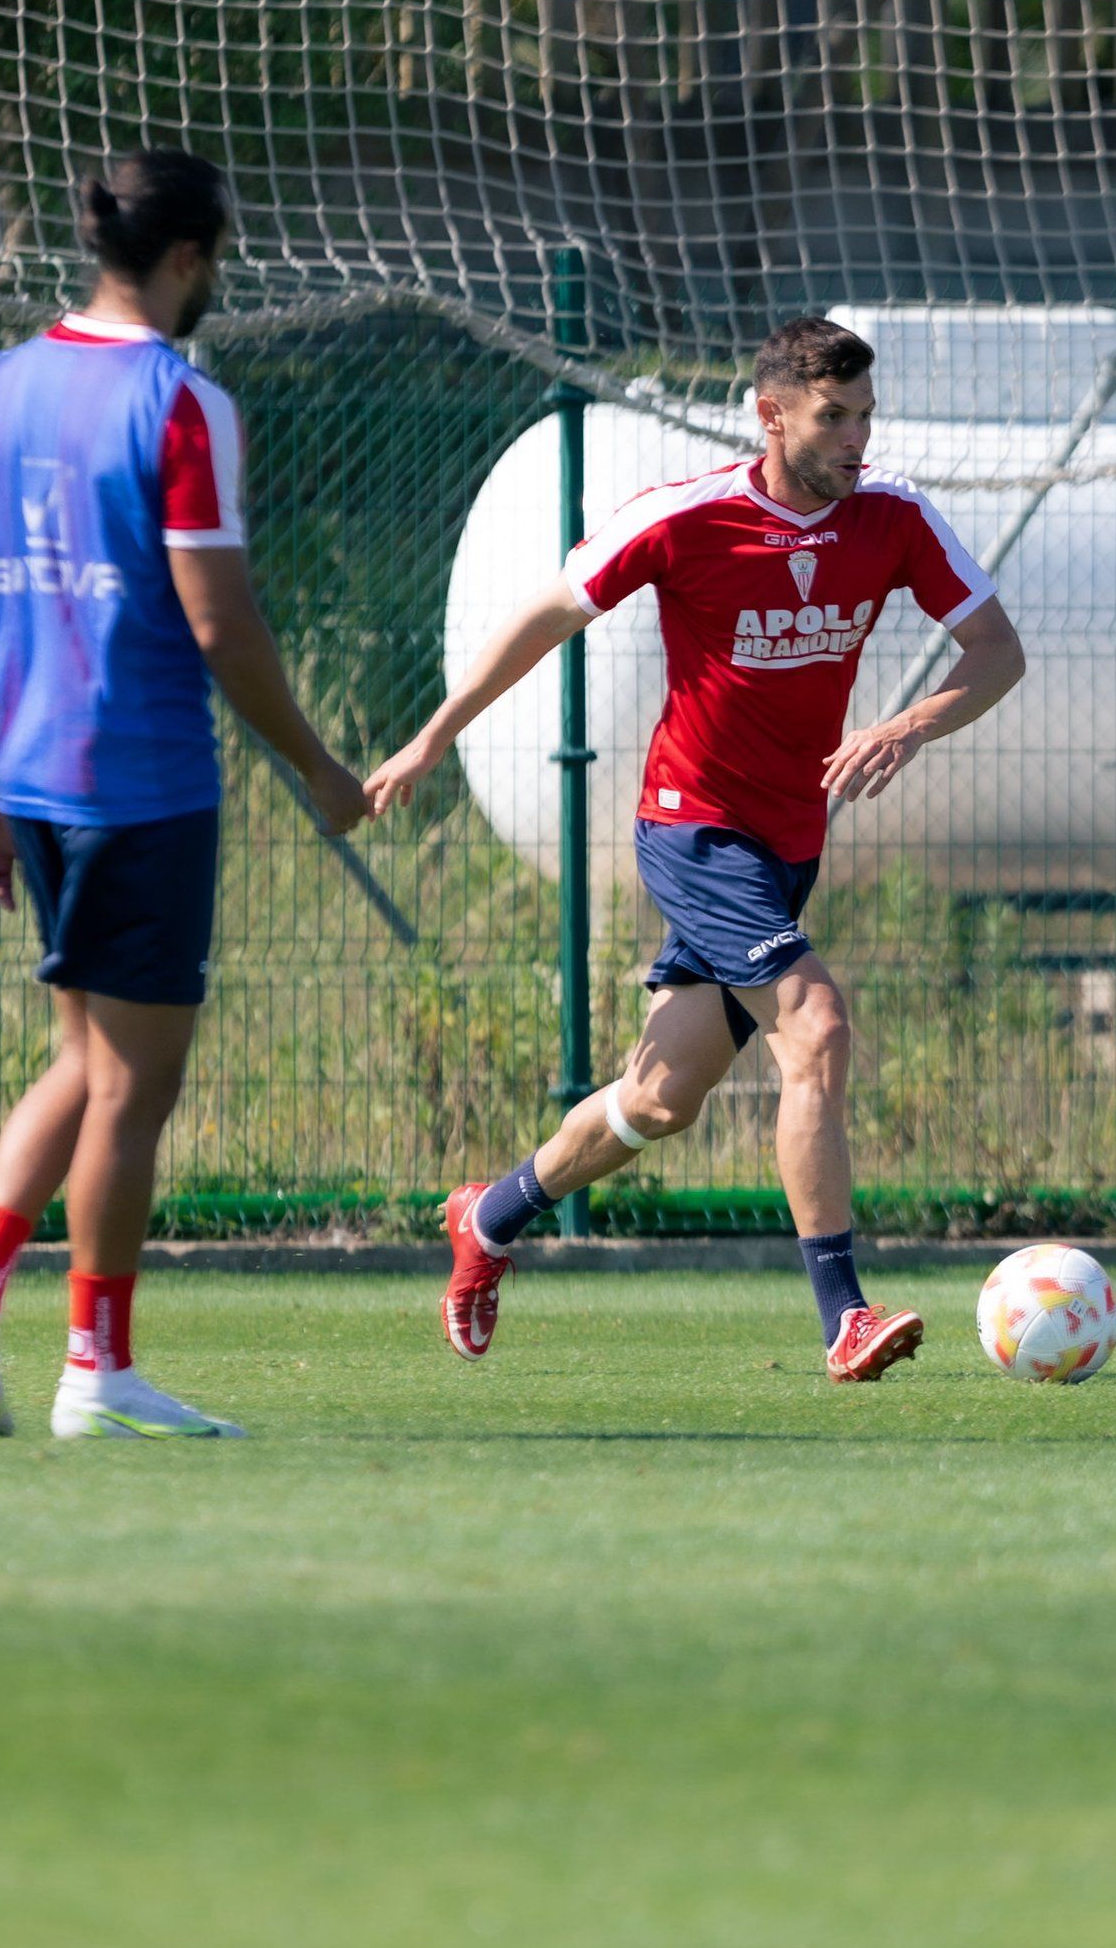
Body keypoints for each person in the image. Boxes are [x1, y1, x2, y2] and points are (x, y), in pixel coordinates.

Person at [367, 315, 1024, 1378]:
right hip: (693, 825)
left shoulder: (895, 519)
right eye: (833, 416)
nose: (857, 437)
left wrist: (906, 725)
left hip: (785, 844)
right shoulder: (688, 518)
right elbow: (547, 613)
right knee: (816, 1024)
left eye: (865, 414)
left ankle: (486, 1216)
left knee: (660, 1099)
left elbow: (997, 652)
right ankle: (842, 1314)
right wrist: (434, 735)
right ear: (770, 414)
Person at [0, 151, 368, 1439]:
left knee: (81, 1056)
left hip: (41, 777)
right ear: (188, 259)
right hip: (141, 781)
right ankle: (94, 1374)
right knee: (134, 1088)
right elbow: (219, 625)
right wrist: (321, 769)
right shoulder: (178, 401)